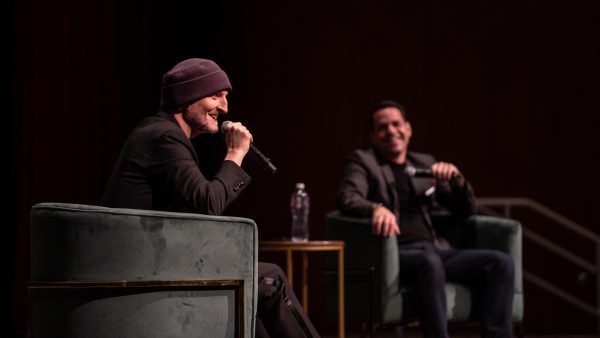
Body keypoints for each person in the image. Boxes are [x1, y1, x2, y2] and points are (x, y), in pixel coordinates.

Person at [102, 58, 319, 338]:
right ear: (185, 98)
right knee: (270, 279)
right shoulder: (164, 137)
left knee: (257, 291)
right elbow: (208, 203)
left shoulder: (159, 133)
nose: (225, 107)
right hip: (139, 267)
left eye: (226, 97)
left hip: (151, 260)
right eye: (216, 96)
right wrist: (236, 153)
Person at [336, 100, 515, 338]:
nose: (391, 131)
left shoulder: (425, 163)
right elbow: (348, 197)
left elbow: (465, 211)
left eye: (396, 124)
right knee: (428, 262)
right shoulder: (364, 161)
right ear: (373, 136)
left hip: (435, 249)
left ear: (408, 129)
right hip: (396, 253)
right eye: (383, 127)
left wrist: (457, 181)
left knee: (500, 262)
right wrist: (376, 208)